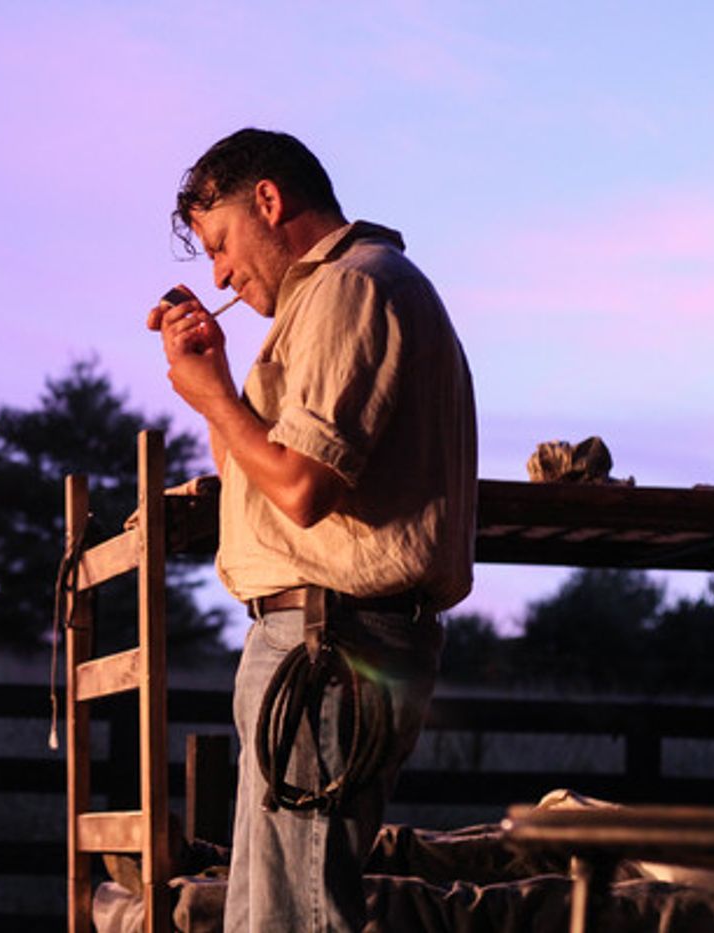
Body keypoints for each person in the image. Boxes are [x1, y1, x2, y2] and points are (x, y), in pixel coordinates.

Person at [147, 128, 477, 932]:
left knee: (295, 916)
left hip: (332, 646)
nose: (218, 273)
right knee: (264, 914)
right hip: (311, 640)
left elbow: (301, 487)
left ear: (269, 200)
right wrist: (219, 374)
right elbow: (261, 475)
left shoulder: (353, 288)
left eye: (219, 243)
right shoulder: (326, 301)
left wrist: (212, 398)